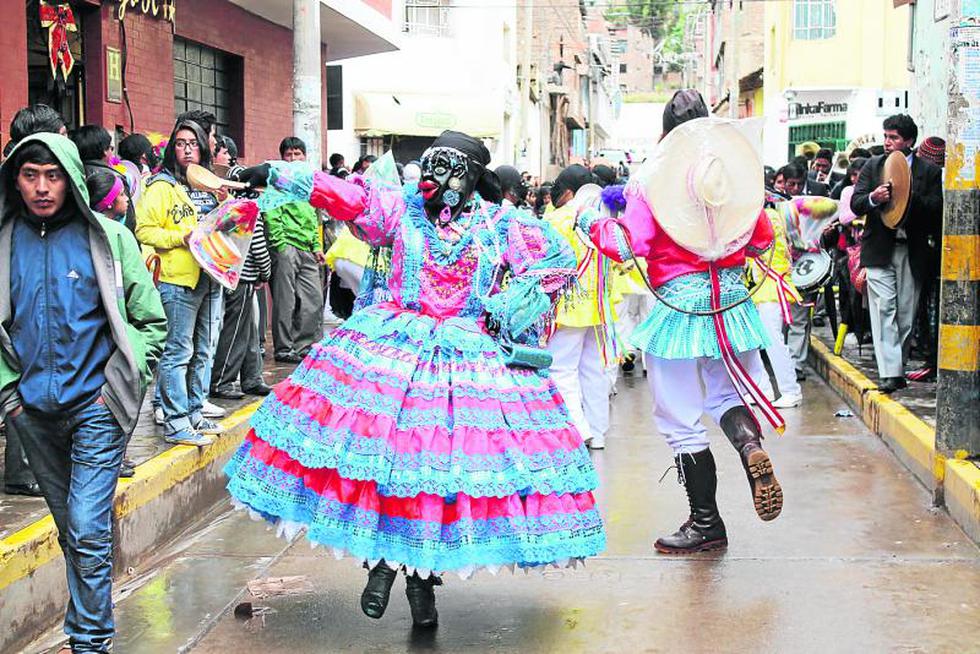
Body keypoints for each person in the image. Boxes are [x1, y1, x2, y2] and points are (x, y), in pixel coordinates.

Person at [227, 130, 604, 628]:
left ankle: (420, 582)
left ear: (472, 177)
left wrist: (514, 302)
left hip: (466, 362)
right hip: (393, 350)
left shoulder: (499, 224)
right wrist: (277, 174)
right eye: (430, 167)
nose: (434, 179)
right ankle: (384, 563)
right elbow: (343, 195)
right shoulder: (401, 208)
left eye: (448, 170)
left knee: (438, 477)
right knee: (385, 463)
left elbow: (556, 258)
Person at [582, 90, 782, 553]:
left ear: (665, 131)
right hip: (732, 304)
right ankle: (749, 447)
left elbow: (627, 245)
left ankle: (706, 523)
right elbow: (761, 240)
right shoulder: (730, 173)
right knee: (727, 395)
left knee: (679, 416)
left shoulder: (653, 178)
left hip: (679, 308)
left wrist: (594, 225)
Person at [0, 132, 166, 653]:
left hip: (97, 407)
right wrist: (10, 398)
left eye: (53, 176)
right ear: (15, 181)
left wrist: (117, 388)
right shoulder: (4, 243)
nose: (42, 187)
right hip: (32, 414)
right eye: (30, 175)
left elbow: (150, 322)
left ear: (71, 179)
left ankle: (89, 642)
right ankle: (90, 617)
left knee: (86, 527)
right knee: (73, 529)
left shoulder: (110, 240)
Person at [136, 118, 225, 445]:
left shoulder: (209, 185)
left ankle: (194, 412)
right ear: (172, 148)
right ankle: (175, 422)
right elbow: (144, 230)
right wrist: (180, 237)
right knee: (177, 352)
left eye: (193, 143)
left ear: (203, 148)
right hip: (177, 280)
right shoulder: (162, 186)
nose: (187, 150)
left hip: (210, 276)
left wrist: (227, 206)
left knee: (202, 350)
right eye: (180, 143)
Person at [850, 115, 943, 393]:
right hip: (879, 249)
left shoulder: (928, 172)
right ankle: (890, 373)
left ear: (909, 141)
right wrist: (873, 199)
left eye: (894, 137)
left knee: (905, 314)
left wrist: (907, 196)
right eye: (886, 136)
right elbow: (856, 203)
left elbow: (936, 209)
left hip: (911, 251)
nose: (888, 142)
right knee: (884, 309)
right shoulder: (873, 165)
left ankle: (897, 367)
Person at [546, 164, 615, 450]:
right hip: (599, 306)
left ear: (569, 191)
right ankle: (598, 433)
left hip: (568, 307)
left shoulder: (557, 218)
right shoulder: (603, 219)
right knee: (594, 372)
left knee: (562, 369)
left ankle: (578, 429)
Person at [263, 137, 325, 363]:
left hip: (307, 248)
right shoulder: (277, 181)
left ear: (304, 157)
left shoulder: (307, 182)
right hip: (286, 245)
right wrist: (280, 245)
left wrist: (317, 246)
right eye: (288, 155)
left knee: (313, 299)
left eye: (297, 154)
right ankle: (284, 348)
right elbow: (271, 214)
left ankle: (304, 346)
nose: (293, 158)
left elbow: (313, 217)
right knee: (285, 301)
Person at [209, 214, 273, 400]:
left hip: (231, 273)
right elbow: (259, 249)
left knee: (248, 329)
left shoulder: (233, 210)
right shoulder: (251, 213)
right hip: (242, 277)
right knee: (235, 331)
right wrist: (266, 274)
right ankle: (221, 381)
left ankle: (252, 377)